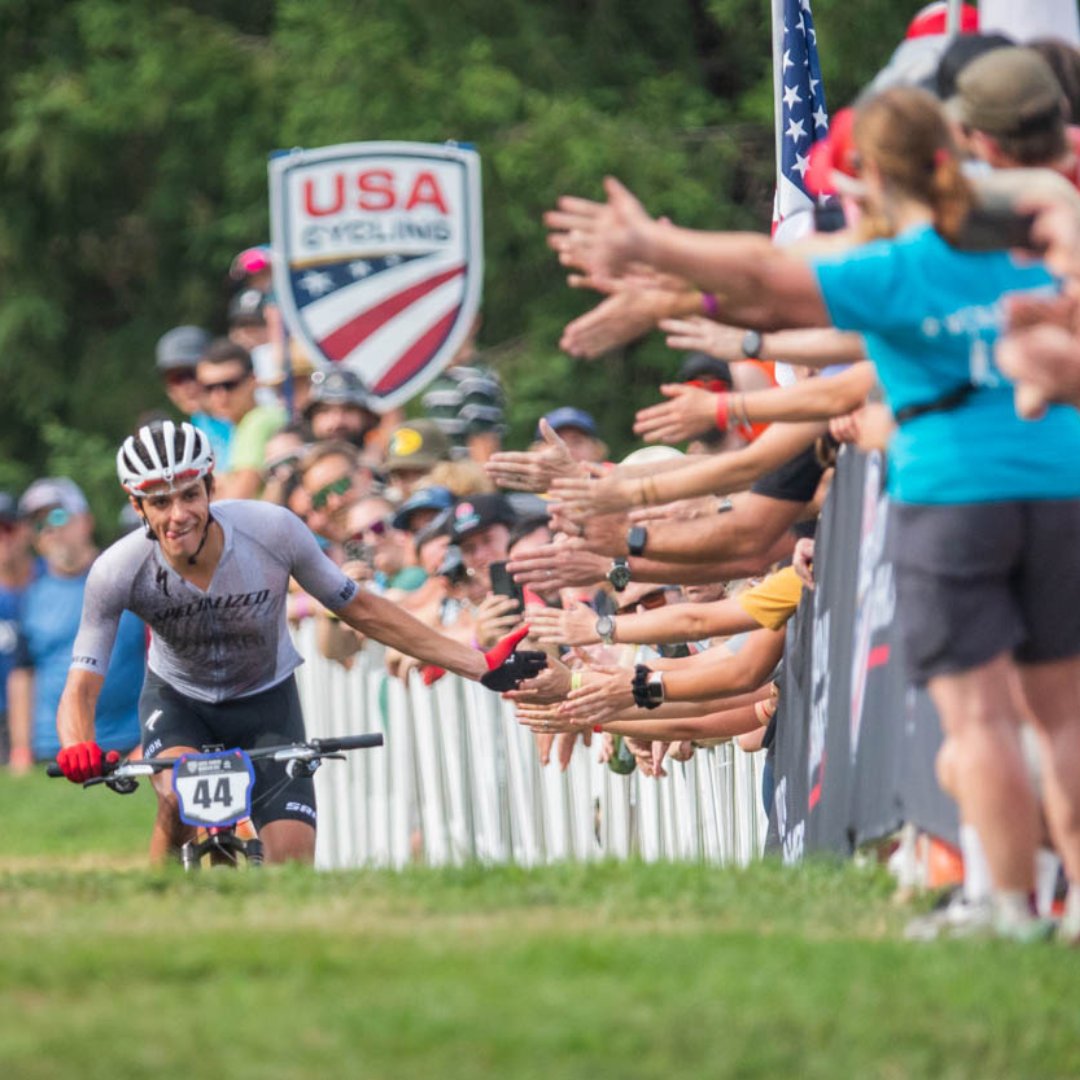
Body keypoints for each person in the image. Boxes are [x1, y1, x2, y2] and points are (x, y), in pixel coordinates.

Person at [555, 87, 1080, 940]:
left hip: (950, 499)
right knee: (1064, 716)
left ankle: (1010, 906)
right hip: (1061, 485)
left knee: (979, 717)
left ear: (872, 181)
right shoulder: (1041, 233)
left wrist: (654, 246)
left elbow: (768, 280)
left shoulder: (897, 267)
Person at [51, 421, 544, 865]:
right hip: (181, 701)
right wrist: (77, 744)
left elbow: (363, 610)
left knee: (291, 862)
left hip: (266, 700)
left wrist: (478, 664)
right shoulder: (118, 569)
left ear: (210, 487)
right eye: (160, 502)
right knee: (181, 796)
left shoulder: (272, 530)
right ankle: (153, 905)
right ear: (137, 504)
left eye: (190, 495)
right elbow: (82, 683)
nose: (179, 515)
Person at [8, 479, 143, 771]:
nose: (49, 530)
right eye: (38, 524)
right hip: (55, 750)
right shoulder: (31, 596)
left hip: (129, 741)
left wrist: (153, 738)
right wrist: (21, 750)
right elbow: (23, 675)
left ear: (86, 521)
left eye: (58, 516)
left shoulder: (126, 580)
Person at [197, 338, 286, 499]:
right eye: (209, 388)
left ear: (253, 381)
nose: (219, 395)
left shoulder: (258, 421)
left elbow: (235, 501)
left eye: (229, 385)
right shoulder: (243, 424)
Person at [155, 325, 233, 470]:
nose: (186, 386)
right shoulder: (197, 427)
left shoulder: (242, 415)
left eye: (192, 373)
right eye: (175, 378)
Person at [0, 492, 36, 768]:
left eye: (7, 527)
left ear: (24, 530)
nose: (3, 537)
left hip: (44, 718)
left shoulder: (54, 581)